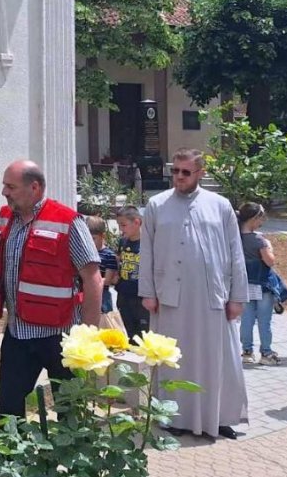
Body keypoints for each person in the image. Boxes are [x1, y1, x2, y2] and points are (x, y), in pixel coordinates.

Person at [139, 148, 248, 440]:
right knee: (175, 361)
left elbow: (236, 252)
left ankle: (218, 418)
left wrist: (237, 296)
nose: (179, 177)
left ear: (200, 173)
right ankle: (174, 417)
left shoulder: (220, 205)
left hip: (212, 298)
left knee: (216, 360)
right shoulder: (156, 205)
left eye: (186, 172)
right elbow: (146, 251)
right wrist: (148, 292)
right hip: (170, 298)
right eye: (175, 171)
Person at [0, 160, 103, 418]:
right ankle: (14, 447)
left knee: (71, 413)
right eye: (4, 185)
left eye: (11, 187)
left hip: (61, 337)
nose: (4, 192)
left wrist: (87, 337)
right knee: (9, 410)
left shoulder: (68, 220)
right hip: (18, 333)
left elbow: (93, 278)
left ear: (34, 187)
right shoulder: (6, 217)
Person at [237, 203, 281, 366]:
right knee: (264, 320)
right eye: (261, 218)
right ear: (254, 219)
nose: (262, 222)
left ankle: (247, 352)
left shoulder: (236, 238)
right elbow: (270, 261)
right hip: (262, 285)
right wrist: (269, 247)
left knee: (246, 319)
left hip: (244, 285)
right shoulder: (259, 240)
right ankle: (266, 353)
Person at [115, 206, 147, 340]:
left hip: (141, 297)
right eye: (119, 225)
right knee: (127, 334)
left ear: (137, 222)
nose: (121, 229)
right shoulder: (122, 242)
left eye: (123, 225)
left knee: (143, 335)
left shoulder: (147, 243)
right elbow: (119, 260)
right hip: (124, 295)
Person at [85, 216, 119, 316]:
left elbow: (107, 280)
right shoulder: (85, 253)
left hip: (102, 295)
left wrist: (89, 281)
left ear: (102, 236)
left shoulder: (109, 255)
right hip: (85, 293)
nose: (90, 242)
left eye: (93, 238)